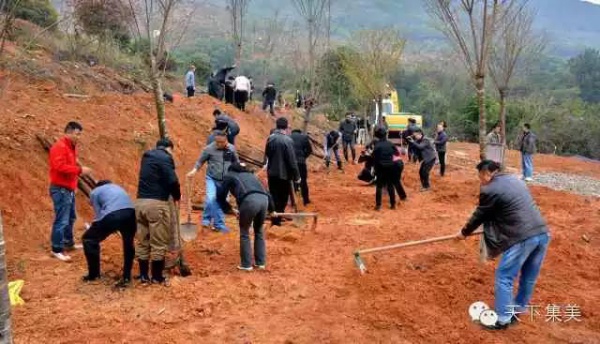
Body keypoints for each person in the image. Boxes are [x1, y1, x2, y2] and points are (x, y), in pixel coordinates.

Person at [457, 160, 550, 330]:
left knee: (504, 276)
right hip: (542, 233)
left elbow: (480, 215)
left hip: (522, 238)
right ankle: (517, 309)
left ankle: (503, 319)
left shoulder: (490, 189)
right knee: (528, 277)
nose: (480, 181)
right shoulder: (515, 180)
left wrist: (464, 232)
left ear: (487, 173)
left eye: (480, 177)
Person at [135, 138, 181, 285]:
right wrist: (177, 196)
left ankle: (143, 276)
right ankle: (157, 277)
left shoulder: (147, 156)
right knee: (158, 242)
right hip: (156, 205)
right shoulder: (166, 157)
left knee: (142, 241)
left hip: (140, 204)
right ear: (169, 148)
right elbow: (172, 180)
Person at [217, 163, 275, 271]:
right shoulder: (252, 176)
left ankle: (246, 265)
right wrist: (272, 210)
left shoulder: (230, 175)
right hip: (264, 201)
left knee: (244, 232)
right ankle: (260, 263)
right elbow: (267, 192)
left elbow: (220, 196)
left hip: (250, 201)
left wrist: (229, 209)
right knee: (258, 230)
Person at [49, 121, 92, 262]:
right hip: (60, 189)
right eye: (77, 134)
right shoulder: (60, 147)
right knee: (61, 220)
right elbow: (59, 166)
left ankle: (68, 243)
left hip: (68, 189)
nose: (79, 137)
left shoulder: (71, 147)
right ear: (68, 132)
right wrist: (80, 170)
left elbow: (69, 164)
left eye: (80, 134)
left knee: (71, 217)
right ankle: (56, 249)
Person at [82, 180, 136, 288]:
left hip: (112, 215)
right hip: (131, 213)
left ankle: (94, 274)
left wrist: (107, 227)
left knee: (89, 239)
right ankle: (126, 276)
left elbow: (98, 216)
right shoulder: (116, 187)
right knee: (128, 243)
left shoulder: (94, 192)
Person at [187, 131, 239, 233]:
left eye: (222, 142)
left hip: (225, 181)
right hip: (212, 178)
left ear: (226, 141)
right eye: (217, 142)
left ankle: (218, 224)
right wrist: (194, 171)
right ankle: (206, 220)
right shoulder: (209, 149)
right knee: (211, 199)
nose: (219, 144)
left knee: (221, 201)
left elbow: (236, 162)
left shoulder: (231, 149)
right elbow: (200, 161)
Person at [263, 117, 300, 226]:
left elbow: (267, 154)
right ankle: (278, 218)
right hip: (284, 174)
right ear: (286, 126)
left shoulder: (270, 138)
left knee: (273, 195)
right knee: (283, 196)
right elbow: (292, 160)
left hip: (272, 172)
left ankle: (275, 218)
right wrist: (297, 176)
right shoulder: (288, 140)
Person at [372, 127, 407, 210]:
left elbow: (375, 158)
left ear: (377, 136)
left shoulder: (377, 146)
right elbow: (397, 153)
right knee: (390, 185)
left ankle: (378, 206)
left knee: (379, 186)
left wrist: (375, 169)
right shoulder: (390, 144)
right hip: (390, 166)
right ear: (386, 134)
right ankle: (393, 205)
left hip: (380, 167)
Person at [291, 129, 313, 206]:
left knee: (292, 181)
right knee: (303, 181)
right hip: (301, 162)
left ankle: (293, 201)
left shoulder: (288, 137)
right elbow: (310, 150)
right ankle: (306, 200)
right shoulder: (304, 137)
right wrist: (304, 156)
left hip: (291, 162)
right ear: (300, 132)